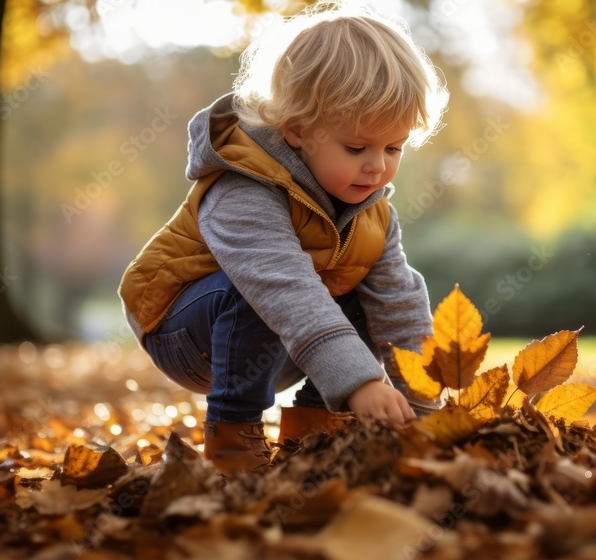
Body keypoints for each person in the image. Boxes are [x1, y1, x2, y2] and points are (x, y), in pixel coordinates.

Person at [117, 2, 448, 474]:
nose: (378, 166)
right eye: (357, 147)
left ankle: (316, 432)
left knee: (370, 294)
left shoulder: (373, 213)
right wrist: (361, 381)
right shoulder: (242, 187)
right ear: (296, 130)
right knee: (261, 291)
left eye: (393, 147)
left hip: (284, 344)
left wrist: (424, 413)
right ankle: (233, 441)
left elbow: (399, 307)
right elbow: (283, 290)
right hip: (183, 332)